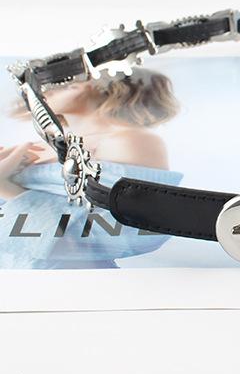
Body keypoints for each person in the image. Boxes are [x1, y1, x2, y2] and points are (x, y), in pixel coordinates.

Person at [0, 68, 184, 269]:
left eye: (71, 82)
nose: (49, 88)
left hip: (72, 280)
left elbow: (112, 236)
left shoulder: (127, 141)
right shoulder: (36, 147)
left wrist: (7, 189)